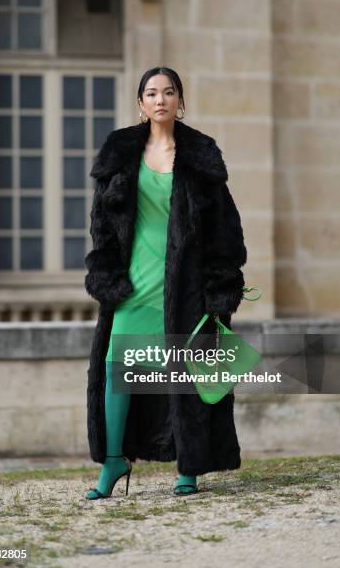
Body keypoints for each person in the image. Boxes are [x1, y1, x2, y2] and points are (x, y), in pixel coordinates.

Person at [84, 66, 247, 499]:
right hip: (133, 285)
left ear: (180, 101)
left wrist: (221, 285)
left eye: (169, 92)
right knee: (117, 371)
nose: (161, 99)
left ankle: (188, 466)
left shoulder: (200, 156)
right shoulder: (120, 153)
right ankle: (114, 462)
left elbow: (224, 230)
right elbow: (102, 224)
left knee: (185, 373)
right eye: (152, 93)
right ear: (140, 104)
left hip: (186, 286)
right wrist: (105, 274)